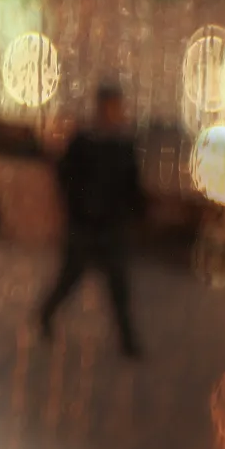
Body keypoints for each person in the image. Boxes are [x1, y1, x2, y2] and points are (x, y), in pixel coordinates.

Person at [38, 82, 145, 358]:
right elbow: (66, 178)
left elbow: (132, 188)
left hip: (109, 227)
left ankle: (128, 342)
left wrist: (133, 214)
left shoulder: (121, 146)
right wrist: (77, 208)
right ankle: (46, 315)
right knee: (71, 277)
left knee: (118, 286)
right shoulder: (86, 141)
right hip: (86, 225)